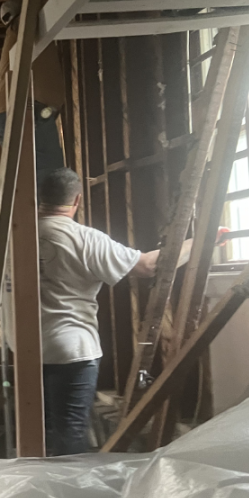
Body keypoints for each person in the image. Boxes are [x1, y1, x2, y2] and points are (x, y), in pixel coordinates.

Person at [37, 168, 193, 455]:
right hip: (71, 350)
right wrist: (200, 241)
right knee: (70, 432)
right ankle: (73, 483)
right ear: (77, 200)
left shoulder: (14, 237)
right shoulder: (84, 238)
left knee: (41, 430)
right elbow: (148, 266)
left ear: (40, 198)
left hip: (26, 350)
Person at [0, 0, 66, 184]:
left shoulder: (19, 35)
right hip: (22, 107)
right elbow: (26, 16)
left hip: (20, 107)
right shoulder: (19, 29)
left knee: (44, 173)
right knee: (47, 174)